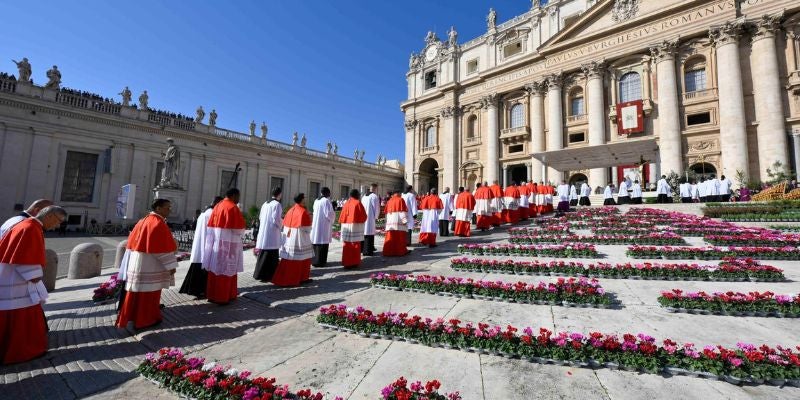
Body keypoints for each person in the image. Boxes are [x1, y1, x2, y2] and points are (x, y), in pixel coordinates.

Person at [0, 206, 65, 364]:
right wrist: (35, 276)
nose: (57, 225)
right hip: (17, 283)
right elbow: (25, 259)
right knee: (22, 319)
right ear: (50, 216)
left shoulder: (25, 224)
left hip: (9, 277)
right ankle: (23, 351)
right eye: (58, 221)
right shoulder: (31, 228)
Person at [116, 200, 177, 330]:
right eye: (167, 208)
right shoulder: (157, 223)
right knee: (149, 294)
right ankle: (145, 320)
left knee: (138, 293)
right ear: (158, 208)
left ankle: (134, 318)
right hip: (150, 264)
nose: (170, 210)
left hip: (140, 262)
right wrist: (171, 265)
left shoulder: (143, 220)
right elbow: (160, 248)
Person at [203, 188, 246, 305]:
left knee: (215, 269)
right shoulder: (232, 207)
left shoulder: (218, 205)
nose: (239, 199)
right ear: (234, 195)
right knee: (226, 270)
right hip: (229, 245)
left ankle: (212, 295)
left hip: (217, 244)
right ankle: (223, 297)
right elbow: (238, 230)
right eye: (238, 196)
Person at [179, 196, 223, 298]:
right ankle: (201, 291)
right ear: (217, 203)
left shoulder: (204, 213)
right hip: (207, 246)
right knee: (203, 270)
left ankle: (194, 290)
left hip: (200, 245)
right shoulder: (212, 214)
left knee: (197, 268)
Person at [272, 193, 313, 286]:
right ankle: (301, 278)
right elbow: (307, 229)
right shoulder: (303, 211)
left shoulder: (290, 210)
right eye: (304, 198)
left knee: (289, 258)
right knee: (302, 257)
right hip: (299, 238)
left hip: (289, 238)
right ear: (302, 200)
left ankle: (288, 278)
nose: (305, 200)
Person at [254, 188, 283, 281]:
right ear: (279, 194)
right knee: (272, 255)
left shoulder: (265, 203)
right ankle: (270, 275)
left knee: (263, 254)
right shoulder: (277, 204)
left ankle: (259, 274)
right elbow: (277, 219)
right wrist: (281, 225)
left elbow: (260, 217)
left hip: (264, 231)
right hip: (272, 233)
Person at [339, 189, 367, 268]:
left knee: (347, 245)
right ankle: (354, 262)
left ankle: (346, 262)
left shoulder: (346, 203)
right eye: (359, 194)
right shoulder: (357, 203)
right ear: (356, 195)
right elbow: (364, 216)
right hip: (355, 226)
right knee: (355, 244)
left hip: (346, 226)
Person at [311, 187, 335, 268]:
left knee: (316, 241)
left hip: (316, 224)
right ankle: (321, 262)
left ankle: (314, 261)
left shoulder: (316, 200)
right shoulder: (326, 201)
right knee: (322, 242)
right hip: (323, 225)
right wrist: (333, 218)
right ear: (327, 193)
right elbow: (329, 214)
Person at [383, 191, 410, 256]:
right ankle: (399, 251)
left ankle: (388, 252)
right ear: (398, 193)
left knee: (390, 237)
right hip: (398, 222)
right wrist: (405, 221)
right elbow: (402, 211)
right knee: (399, 238)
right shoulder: (400, 199)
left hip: (390, 222)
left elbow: (386, 213)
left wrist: (386, 222)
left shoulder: (389, 201)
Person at [360, 184, 380, 256]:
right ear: (375, 189)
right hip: (370, 217)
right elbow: (376, 208)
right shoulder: (374, 196)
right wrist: (376, 216)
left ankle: (362, 249)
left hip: (363, 217)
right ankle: (368, 250)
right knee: (369, 233)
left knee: (364, 232)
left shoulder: (364, 196)